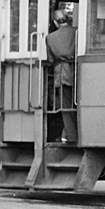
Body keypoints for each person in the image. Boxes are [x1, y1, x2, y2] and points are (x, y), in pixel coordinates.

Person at [45, 8, 78, 143]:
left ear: (54, 22)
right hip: (78, 71)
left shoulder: (50, 38)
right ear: (67, 18)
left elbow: (51, 59)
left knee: (66, 106)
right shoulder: (77, 32)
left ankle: (71, 135)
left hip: (62, 74)